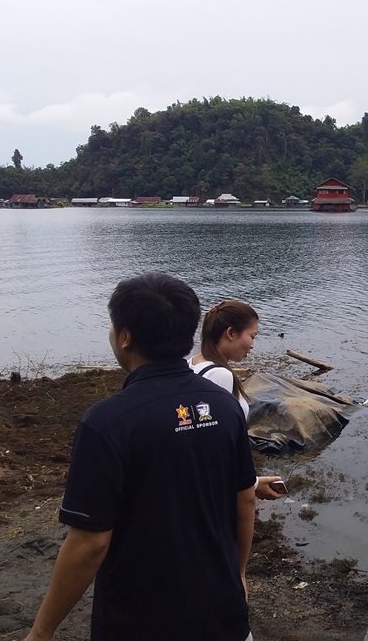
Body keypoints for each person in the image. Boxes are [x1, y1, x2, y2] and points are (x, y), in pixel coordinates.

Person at [25, 272, 256, 641]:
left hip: (141, 622)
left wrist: (41, 632)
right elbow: (245, 500)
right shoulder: (225, 408)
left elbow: (90, 543)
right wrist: (238, 575)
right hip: (223, 615)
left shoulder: (108, 422)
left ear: (125, 337)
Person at [188, 300, 286, 501]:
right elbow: (218, 446)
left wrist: (254, 482)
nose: (252, 345)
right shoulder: (220, 376)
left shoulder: (192, 363)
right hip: (217, 489)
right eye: (252, 336)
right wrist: (248, 487)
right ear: (231, 333)